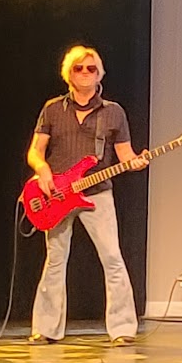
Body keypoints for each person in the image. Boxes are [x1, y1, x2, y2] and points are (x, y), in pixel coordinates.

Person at [27, 45, 144, 344]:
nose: (85, 73)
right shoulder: (53, 109)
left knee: (112, 258)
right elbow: (35, 151)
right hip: (57, 194)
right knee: (55, 260)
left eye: (91, 68)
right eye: (79, 68)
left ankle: (123, 329)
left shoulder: (113, 112)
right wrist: (43, 170)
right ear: (69, 73)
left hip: (97, 194)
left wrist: (137, 162)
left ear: (99, 74)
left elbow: (125, 155)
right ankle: (46, 328)